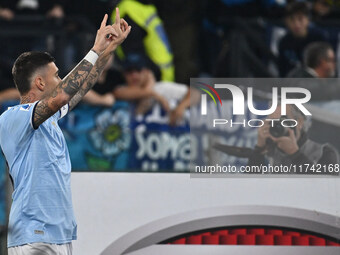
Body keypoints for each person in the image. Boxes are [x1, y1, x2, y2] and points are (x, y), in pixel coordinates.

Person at [0, 8, 130, 255]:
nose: (61, 80)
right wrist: (93, 50)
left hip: (59, 233)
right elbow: (62, 96)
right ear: (39, 83)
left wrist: (107, 48)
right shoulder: (13, 118)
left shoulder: (49, 119)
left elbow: (82, 84)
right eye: (57, 75)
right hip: (33, 235)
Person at [248, 104, 339, 172]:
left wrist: (295, 154)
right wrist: (259, 150)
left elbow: (325, 190)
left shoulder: (324, 153)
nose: (278, 126)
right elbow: (250, 188)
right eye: (273, 122)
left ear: (299, 122)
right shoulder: (268, 153)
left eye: (284, 121)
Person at [113, 53, 196, 126]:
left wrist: (181, 107)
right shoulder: (122, 90)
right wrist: (154, 94)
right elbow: (118, 93)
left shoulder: (161, 87)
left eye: (138, 70)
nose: (134, 75)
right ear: (124, 74)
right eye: (129, 71)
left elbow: (195, 93)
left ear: (146, 72)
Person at [110, 0, 175, 81]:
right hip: (151, 81)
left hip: (163, 78)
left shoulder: (144, 5)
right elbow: (134, 54)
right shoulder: (129, 10)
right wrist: (155, 74)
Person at [278, 1, 327, 77]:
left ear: (308, 20)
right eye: (292, 19)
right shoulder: (284, 42)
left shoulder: (319, 38)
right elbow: (283, 70)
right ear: (286, 21)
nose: (296, 24)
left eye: (300, 19)